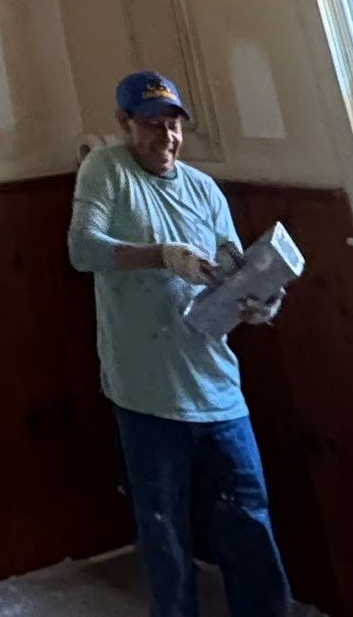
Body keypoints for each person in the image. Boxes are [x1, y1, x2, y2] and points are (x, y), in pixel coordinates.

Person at [67, 70, 292, 617]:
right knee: (163, 530)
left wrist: (262, 300)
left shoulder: (203, 189)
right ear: (125, 124)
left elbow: (236, 268)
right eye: (151, 125)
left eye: (173, 126)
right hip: (145, 389)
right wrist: (160, 255)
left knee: (248, 519)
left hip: (216, 386)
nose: (165, 138)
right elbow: (83, 250)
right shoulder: (107, 172)